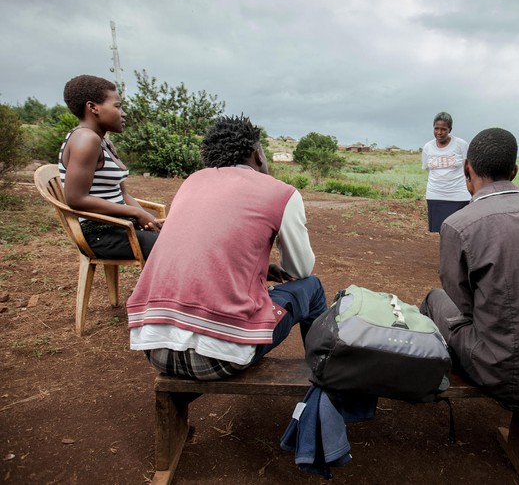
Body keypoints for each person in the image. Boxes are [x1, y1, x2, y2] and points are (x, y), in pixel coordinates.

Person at [127, 115, 327, 379]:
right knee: (311, 287)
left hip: (156, 351)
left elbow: (204, 249)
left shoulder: (192, 182)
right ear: (257, 154)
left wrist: (261, 268)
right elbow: (300, 269)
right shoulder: (282, 192)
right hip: (220, 358)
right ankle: (324, 374)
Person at [420, 127, 519, 411]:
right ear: (515, 171)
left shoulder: (459, 224)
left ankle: (425, 371)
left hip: (501, 371)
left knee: (434, 300)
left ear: (467, 169)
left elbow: (464, 305)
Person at [58, 75, 161, 259]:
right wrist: (135, 213)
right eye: (117, 106)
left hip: (120, 225)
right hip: (99, 233)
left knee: (179, 236)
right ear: (93, 107)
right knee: (174, 248)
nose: (123, 113)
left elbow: (123, 194)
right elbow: (75, 198)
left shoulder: (104, 142)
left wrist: (148, 219)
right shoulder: (86, 139)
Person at [421, 112, 471, 232]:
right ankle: (446, 251)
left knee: (461, 230)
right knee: (440, 230)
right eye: (436, 128)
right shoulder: (428, 147)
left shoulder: (460, 145)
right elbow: (428, 168)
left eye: (443, 129)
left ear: (450, 129)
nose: (439, 132)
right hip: (435, 194)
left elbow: (469, 167)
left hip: (459, 195)